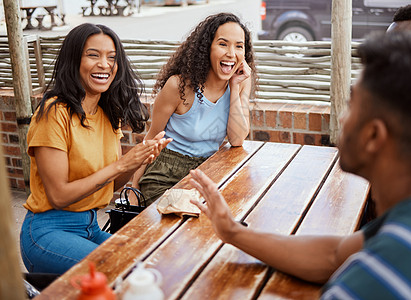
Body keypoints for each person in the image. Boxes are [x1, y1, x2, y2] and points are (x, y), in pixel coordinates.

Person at [190, 31, 411, 299]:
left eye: (351, 106)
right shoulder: (397, 222)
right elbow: (332, 256)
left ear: (373, 135)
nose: (342, 119)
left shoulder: (373, 277)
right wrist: (232, 231)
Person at [20, 23, 171, 275]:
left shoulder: (106, 114)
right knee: (121, 272)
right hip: (47, 232)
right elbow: (58, 196)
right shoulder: (54, 113)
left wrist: (136, 161)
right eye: (93, 55)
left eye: (112, 58)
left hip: (90, 227)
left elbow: (108, 185)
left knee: (150, 266)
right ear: (74, 60)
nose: (105, 64)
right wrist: (121, 164)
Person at [131, 12, 257, 205]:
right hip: (166, 173)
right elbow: (152, 138)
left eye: (239, 46)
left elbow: (237, 139)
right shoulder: (178, 86)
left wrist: (234, 88)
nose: (231, 53)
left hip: (208, 171)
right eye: (223, 44)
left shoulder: (240, 84)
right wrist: (133, 189)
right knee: (185, 221)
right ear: (207, 47)